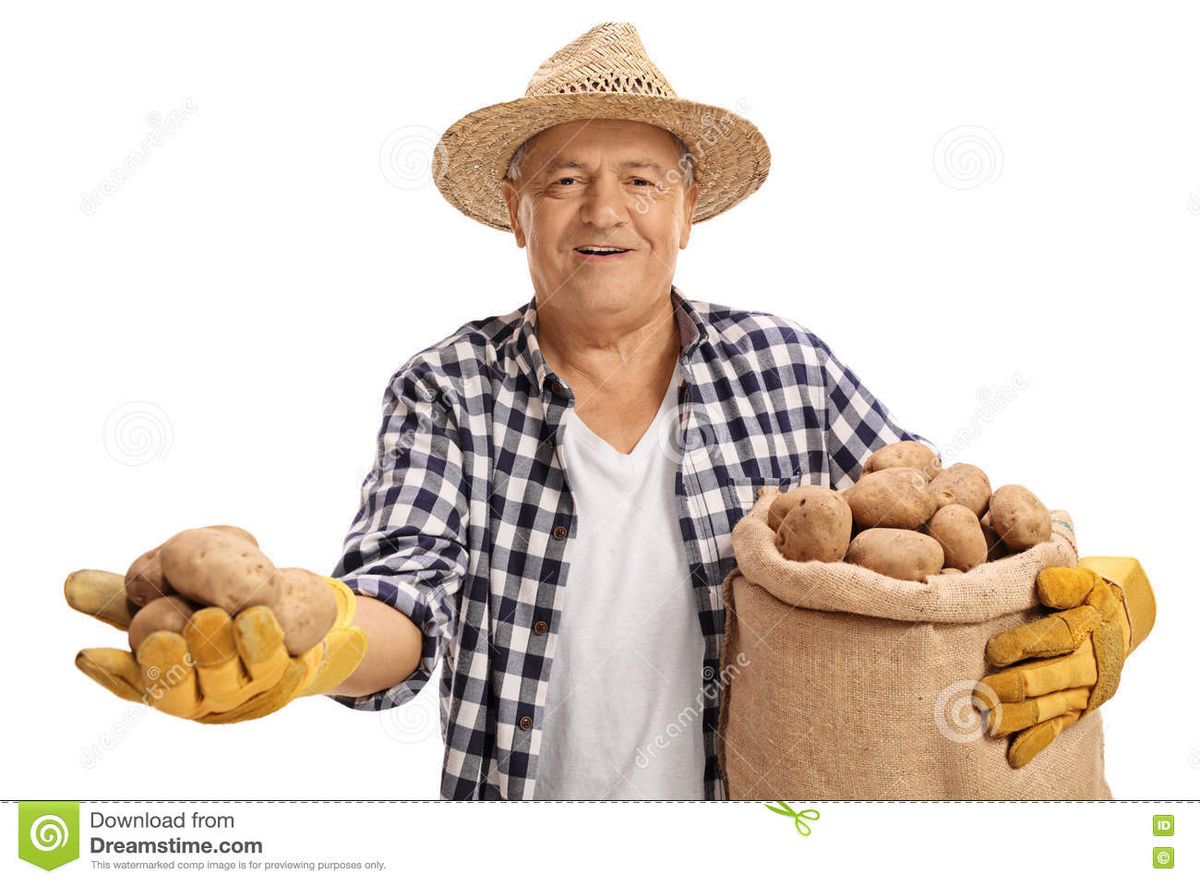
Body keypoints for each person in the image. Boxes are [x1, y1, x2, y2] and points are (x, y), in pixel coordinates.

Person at [65, 22, 1152, 801]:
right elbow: (405, 596)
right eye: (565, 178)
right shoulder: (446, 389)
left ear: (686, 211)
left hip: (761, 835)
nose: (604, 213)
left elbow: (943, 547)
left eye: (640, 179)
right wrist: (317, 640)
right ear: (515, 210)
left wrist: (1111, 595)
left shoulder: (789, 366)